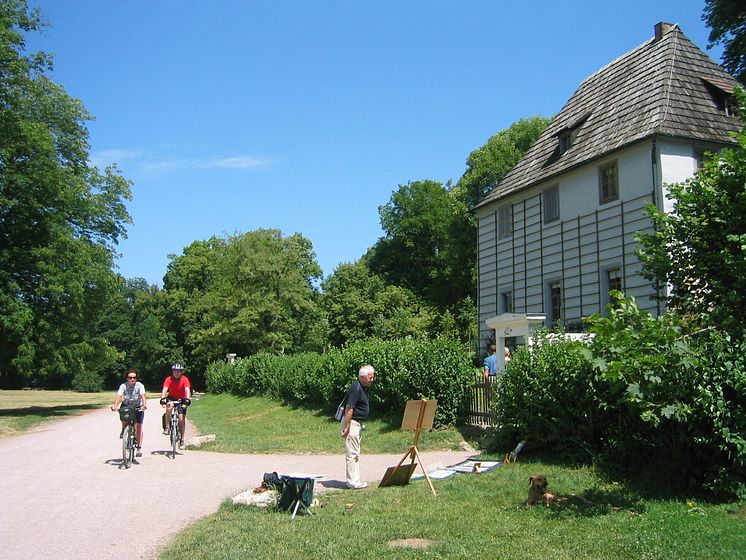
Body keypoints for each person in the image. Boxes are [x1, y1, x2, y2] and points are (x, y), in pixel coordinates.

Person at [340, 364, 375, 489]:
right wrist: (348, 426)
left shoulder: (363, 387)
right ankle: (352, 482)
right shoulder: (356, 388)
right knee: (352, 453)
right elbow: (349, 408)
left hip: (357, 423)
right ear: (362, 377)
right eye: (370, 377)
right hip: (352, 422)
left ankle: (356, 480)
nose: (373, 379)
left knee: (356, 452)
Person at [111, 369, 147, 457]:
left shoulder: (140, 386)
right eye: (130, 377)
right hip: (126, 405)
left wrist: (144, 405)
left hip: (137, 406)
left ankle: (138, 447)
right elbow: (119, 396)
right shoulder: (123, 386)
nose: (132, 379)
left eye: (134, 377)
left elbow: (143, 395)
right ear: (127, 378)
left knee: (138, 426)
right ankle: (124, 429)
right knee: (123, 417)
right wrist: (115, 406)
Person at [160, 363, 191, 449]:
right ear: (172, 371)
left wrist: (187, 401)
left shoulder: (185, 379)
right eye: (175, 371)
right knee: (169, 407)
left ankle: (182, 439)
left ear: (181, 372)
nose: (176, 373)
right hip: (172, 397)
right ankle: (167, 427)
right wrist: (163, 399)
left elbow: (187, 390)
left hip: (182, 399)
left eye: (178, 371)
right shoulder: (168, 379)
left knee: (181, 419)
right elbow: (165, 389)